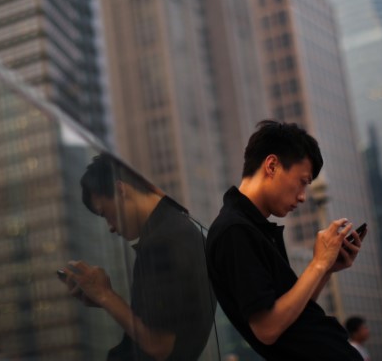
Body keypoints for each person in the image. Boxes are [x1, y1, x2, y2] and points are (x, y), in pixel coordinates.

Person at [205, 120, 365, 360]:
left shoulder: (253, 227)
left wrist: (326, 269)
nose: (302, 197)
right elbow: (268, 329)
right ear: (272, 165)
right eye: (303, 182)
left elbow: (292, 315)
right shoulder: (234, 230)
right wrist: (318, 264)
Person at [61, 154, 216, 361]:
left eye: (105, 213)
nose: (110, 227)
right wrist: (103, 299)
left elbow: (159, 345)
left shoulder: (161, 244)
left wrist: (105, 295)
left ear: (120, 190)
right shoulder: (180, 228)